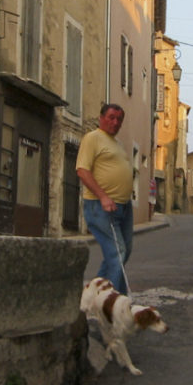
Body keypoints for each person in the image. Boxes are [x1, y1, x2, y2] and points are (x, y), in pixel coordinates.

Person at [76, 103, 134, 294]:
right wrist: (103, 197)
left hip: (123, 207)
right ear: (101, 118)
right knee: (118, 254)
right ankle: (115, 304)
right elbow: (82, 171)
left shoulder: (118, 144)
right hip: (102, 207)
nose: (115, 122)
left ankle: (94, 294)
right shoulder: (92, 138)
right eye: (111, 117)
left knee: (119, 254)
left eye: (119, 119)